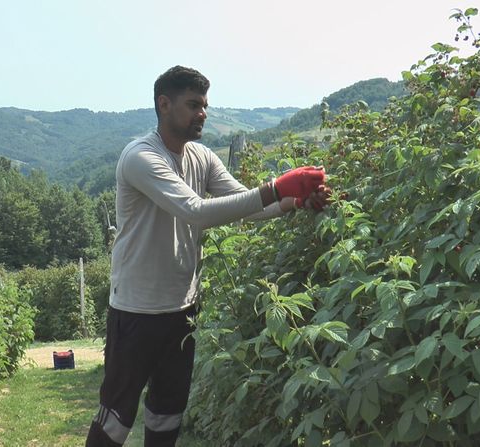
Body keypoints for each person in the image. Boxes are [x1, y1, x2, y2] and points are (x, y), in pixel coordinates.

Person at [85, 66, 328, 447]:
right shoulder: (140, 157)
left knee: (167, 415)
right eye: (193, 104)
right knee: (116, 418)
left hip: (182, 310)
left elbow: (245, 206)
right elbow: (195, 210)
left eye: (205, 106)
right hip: (135, 311)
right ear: (164, 104)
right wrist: (277, 187)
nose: (203, 113)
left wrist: (293, 201)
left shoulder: (202, 156)